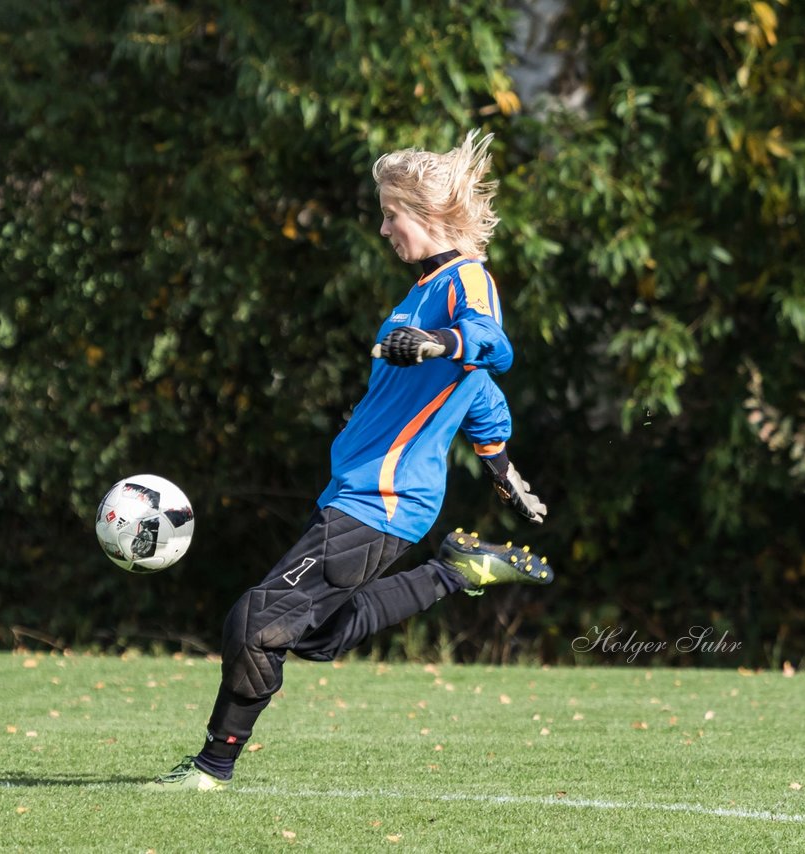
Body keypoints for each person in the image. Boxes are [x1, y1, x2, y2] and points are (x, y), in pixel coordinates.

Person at [144, 130, 552, 791]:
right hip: (365, 495)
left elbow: (490, 348)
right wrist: (501, 465)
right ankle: (455, 571)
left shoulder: (465, 281)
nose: (384, 226)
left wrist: (437, 342)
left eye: (392, 212)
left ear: (429, 213)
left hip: (381, 499)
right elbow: (478, 392)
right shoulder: (419, 295)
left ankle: (212, 768)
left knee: (256, 622)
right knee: (317, 633)